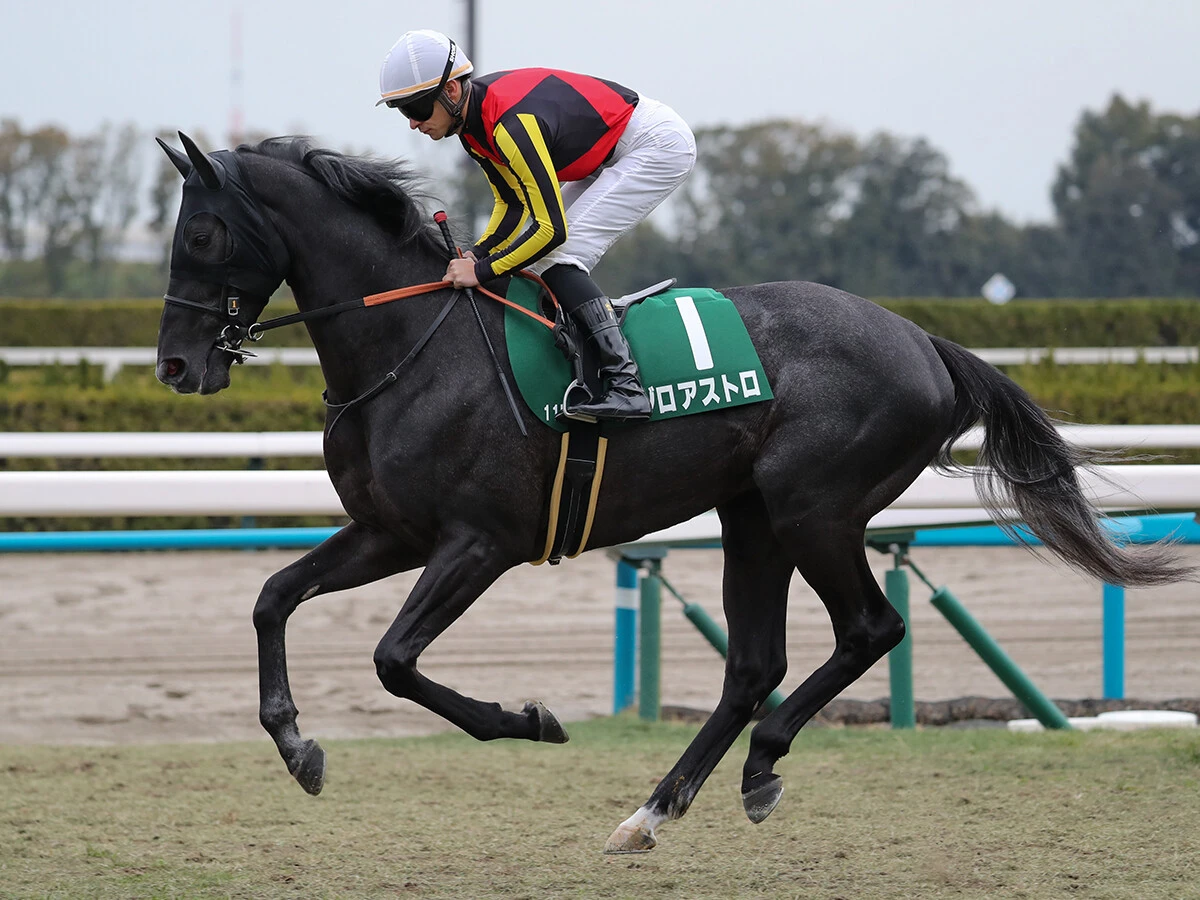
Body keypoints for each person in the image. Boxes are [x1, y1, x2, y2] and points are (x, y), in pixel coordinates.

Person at [377, 29, 697, 421]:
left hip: (654, 143)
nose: (412, 124)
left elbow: (551, 230)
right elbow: (511, 205)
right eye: (403, 112)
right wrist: (477, 252)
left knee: (559, 255)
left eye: (416, 109)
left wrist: (480, 271)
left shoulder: (509, 124)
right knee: (529, 260)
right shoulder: (472, 130)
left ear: (453, 93)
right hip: (606, 152)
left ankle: (626, 386)